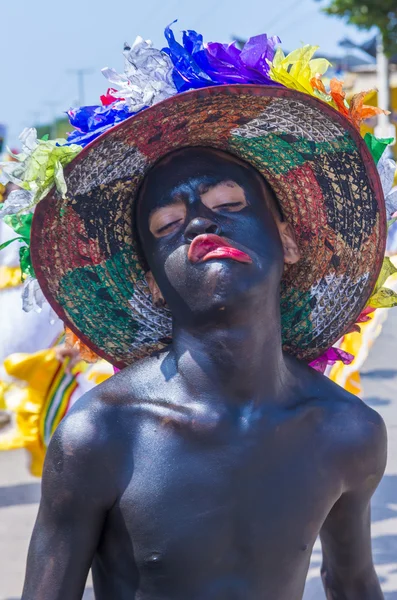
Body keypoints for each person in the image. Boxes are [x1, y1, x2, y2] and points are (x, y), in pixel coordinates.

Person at [3, 25, 396, 600]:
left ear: (286, 241)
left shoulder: (346, 430)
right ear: (154, 283)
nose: (198, 223)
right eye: (166, 226)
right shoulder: (101, 435)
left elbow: (354, 585)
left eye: (229, 204)